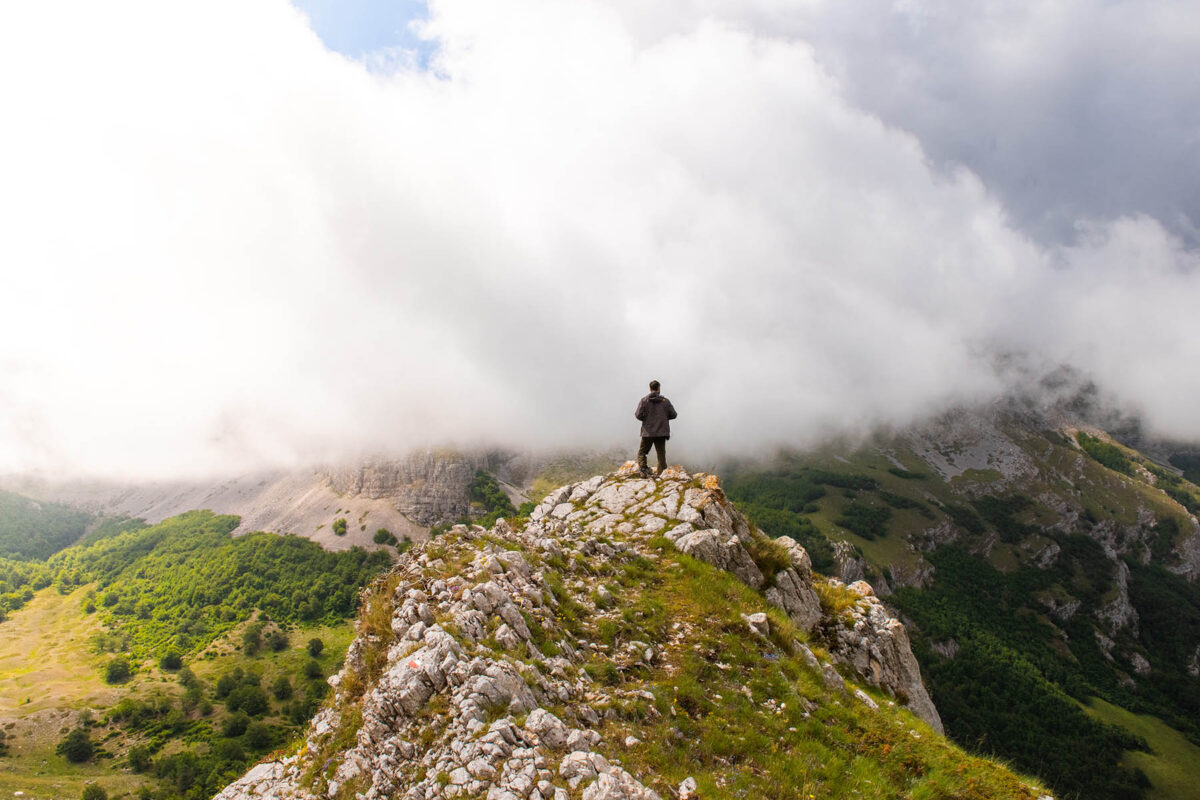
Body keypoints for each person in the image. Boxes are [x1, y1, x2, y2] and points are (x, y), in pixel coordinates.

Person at [634, 380, 677, 477]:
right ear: (659, 388)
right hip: (661, 432)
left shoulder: (644, 400)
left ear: (650, 389)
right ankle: (661, 474)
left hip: (648, 432)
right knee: (661, 453)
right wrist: (664, 417)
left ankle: (643, 470)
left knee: (642, 452)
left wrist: (646, 419)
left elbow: (638, 415)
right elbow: (674, 415)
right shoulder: (665, 401)